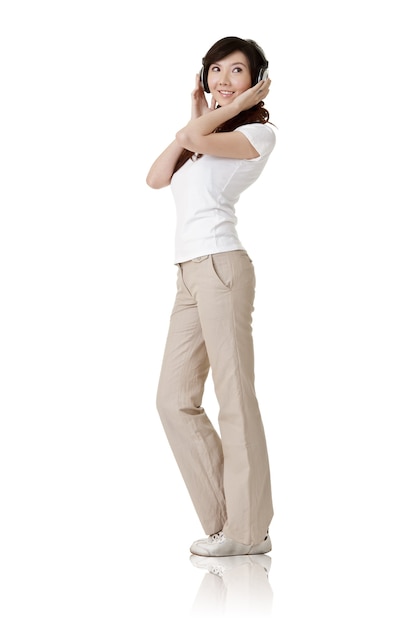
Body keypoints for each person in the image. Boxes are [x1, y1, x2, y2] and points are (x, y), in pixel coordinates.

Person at [146, 36, 275, 557]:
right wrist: (199, 115)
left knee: (234, 399)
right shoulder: (201, 141)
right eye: (215, 69)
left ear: (257, 80)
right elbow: (155, 177)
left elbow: (190, 137)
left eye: (237, 71)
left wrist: (237, 109)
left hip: (222, 268)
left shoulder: (259, 133)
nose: (223, 80)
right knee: (173, 399)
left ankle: (249, 531)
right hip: (189, 274)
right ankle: (228, 522)